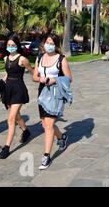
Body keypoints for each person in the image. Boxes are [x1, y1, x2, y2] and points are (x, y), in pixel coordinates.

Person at [33, 34, 72, 169]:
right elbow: (34, 76)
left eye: (52, 43)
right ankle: (61, 138)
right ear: (44, 43)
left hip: (55, 93)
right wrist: (41, 79)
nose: (49, 45)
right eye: (47, 42)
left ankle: (46, 156)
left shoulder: (61, 59)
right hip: (42, 92)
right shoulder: (39, 57)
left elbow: (69, 78)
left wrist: (54, 79)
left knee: (49, 125)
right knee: (45, 124)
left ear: (56, 45)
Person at [0, 35, 34, 159]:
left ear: (17, 45)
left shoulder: (22, 59)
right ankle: (26, 131)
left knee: (11, 119)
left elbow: (33, 72)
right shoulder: (6, 58)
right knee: (16, 116)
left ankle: (6, 148)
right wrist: (0, 82)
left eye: (13, 45)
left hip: (18, 90)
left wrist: (43, 79)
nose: (10, 47)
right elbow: (8, 73)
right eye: (8, 45)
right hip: (8, 89)